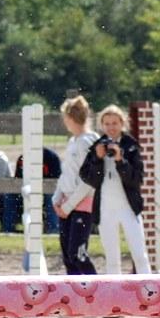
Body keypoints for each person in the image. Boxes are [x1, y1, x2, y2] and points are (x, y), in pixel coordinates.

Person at [79, 104, 151, 274]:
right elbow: (87, 177)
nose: (111, 127)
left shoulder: (131, 146)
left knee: (139, 255)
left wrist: (120, 160)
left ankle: (150, 292)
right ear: (102, 125)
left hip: (128, 207)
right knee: (112, 258)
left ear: (122, 123)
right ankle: (114, 296)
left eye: (115, 123)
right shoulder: (97, 146)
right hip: (105, 207)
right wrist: (97, 158)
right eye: (107, 123)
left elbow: (136, 179)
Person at [51, 95, 98, 274]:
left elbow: (88, 180)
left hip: (81, 203)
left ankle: (97, 289)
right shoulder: (73, 141)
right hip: (67, 203)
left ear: (70, 118)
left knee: (78, 254)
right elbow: (67, 174)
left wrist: (69, 206)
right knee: (68, 256)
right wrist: (57, 198)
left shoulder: (87, 142)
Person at [11, 147, 62, 233]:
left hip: (47, 192)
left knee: (51, 198)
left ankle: (53, 230)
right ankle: (8, 229)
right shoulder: (22, 158)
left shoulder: (51, 157)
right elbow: (17, 180)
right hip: (27, 190)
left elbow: (56, 180)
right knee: (10, 196)